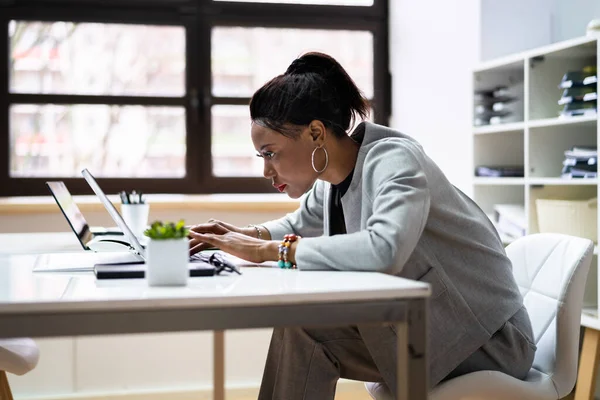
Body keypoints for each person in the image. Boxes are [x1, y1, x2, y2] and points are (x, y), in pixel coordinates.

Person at [188, 52, 536, 400]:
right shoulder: (329, 181)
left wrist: (269, 251)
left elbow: (385, 248)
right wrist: (240, 236)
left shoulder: (394, 160)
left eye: (270, 153)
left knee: (308, 330)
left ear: (315, 133)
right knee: (301, 328)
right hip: (432, 327)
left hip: (489, 341)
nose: (267, 171)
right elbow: (299, 224)